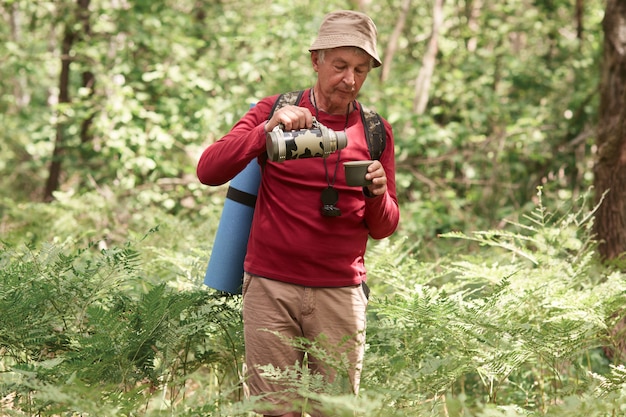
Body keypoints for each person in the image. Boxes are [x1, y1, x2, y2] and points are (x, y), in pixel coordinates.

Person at [197, 10, 399, 417]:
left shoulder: (375, 130)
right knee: (275, 411)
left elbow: (384, 227)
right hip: (271, 289)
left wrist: (377, 193)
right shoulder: (276, 109)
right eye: (340, 65)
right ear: (316, 60)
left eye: (361, 70)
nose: (350, 79)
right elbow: (209, 169)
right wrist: (265, 130)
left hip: (341, 293)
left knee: (336, 411)